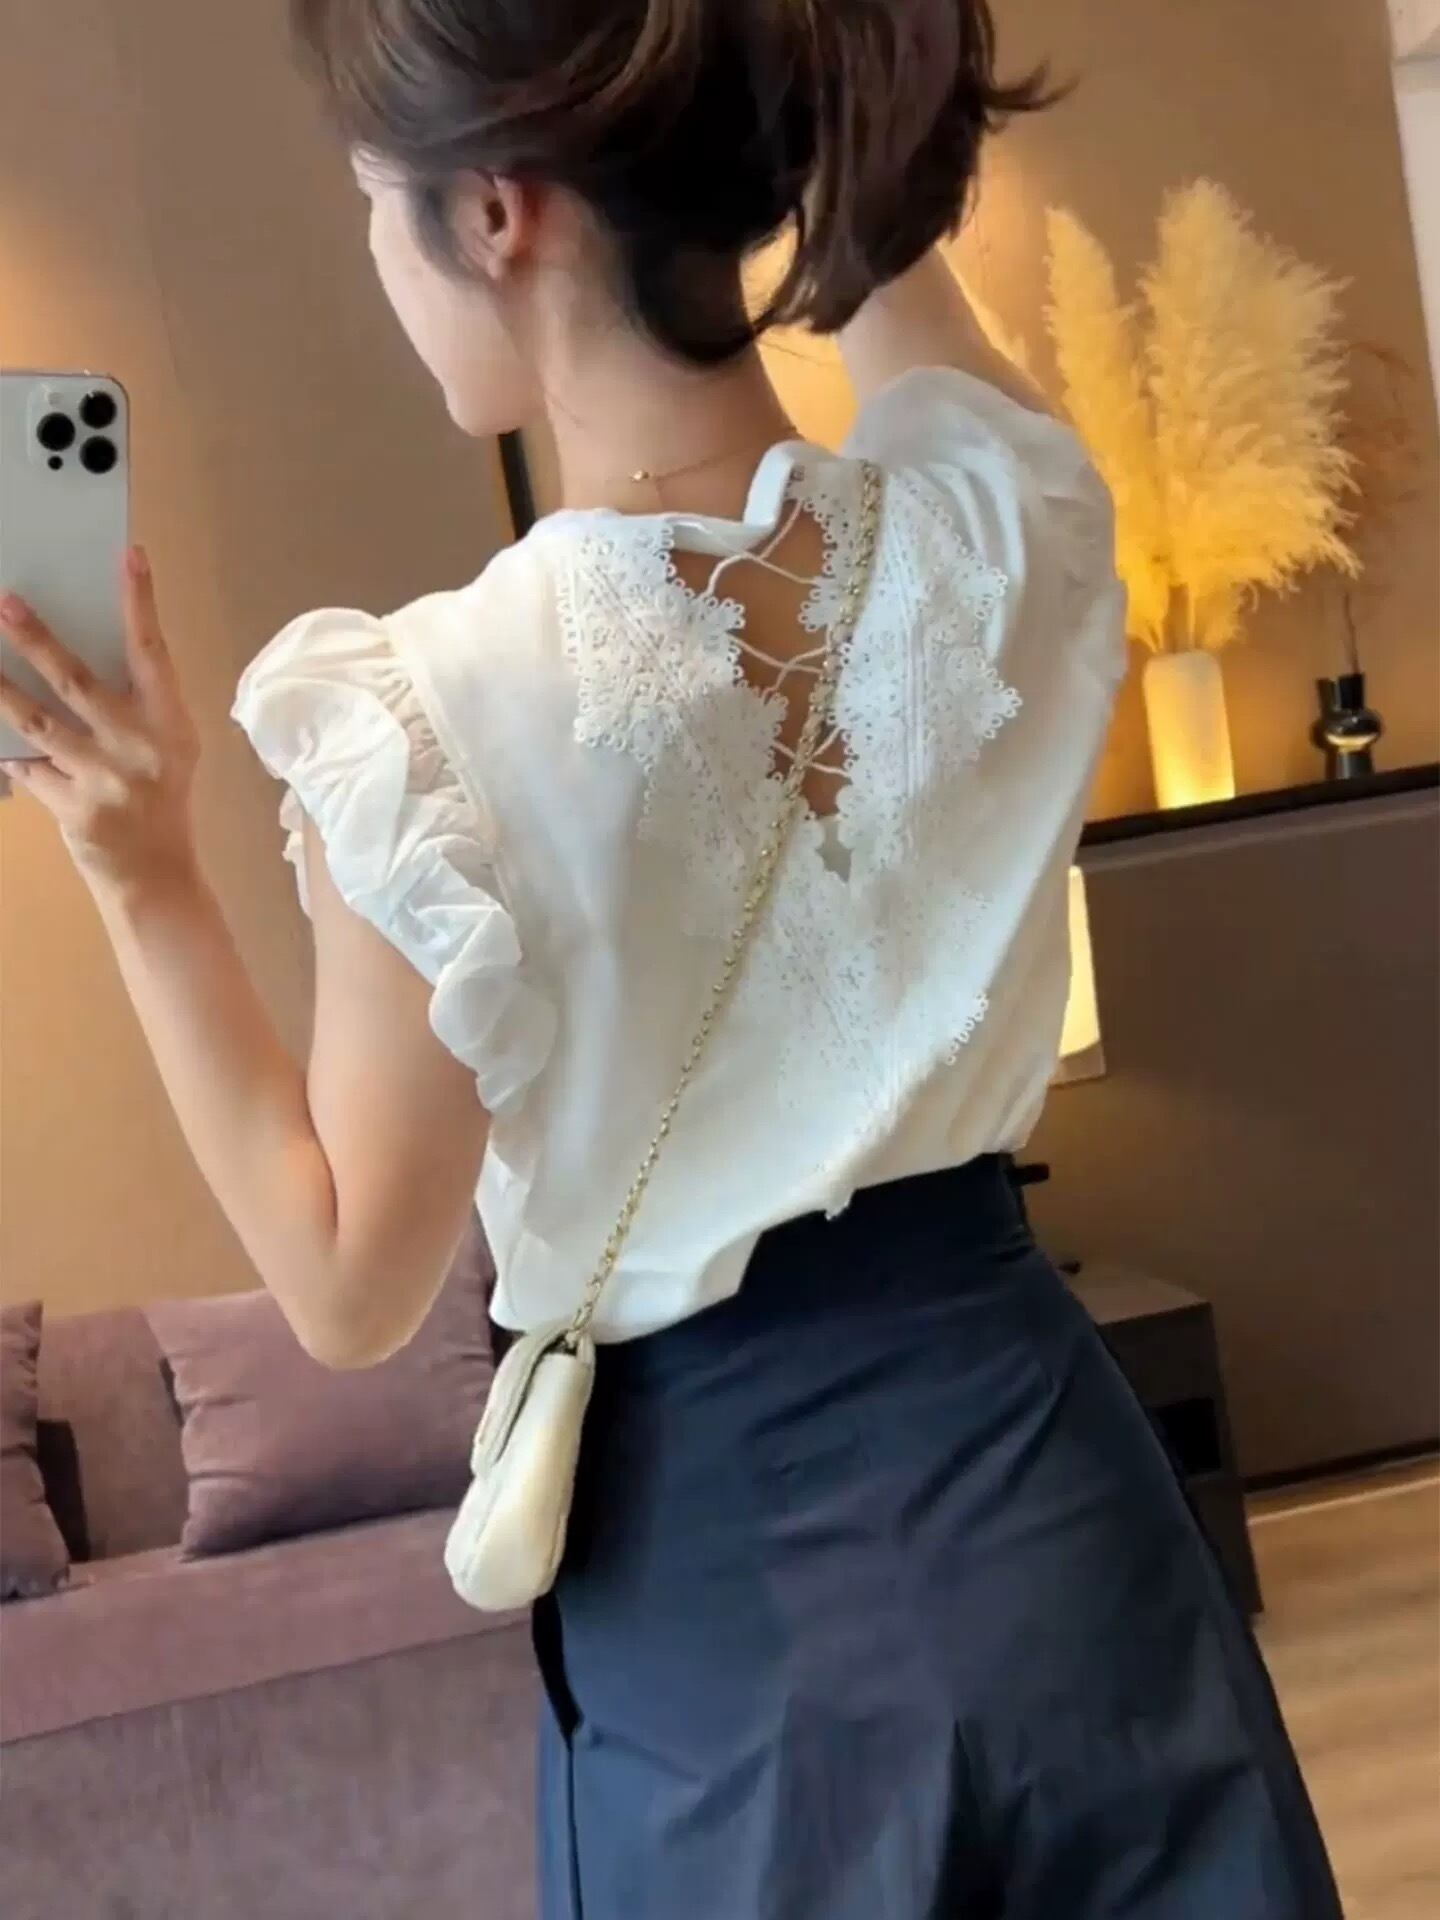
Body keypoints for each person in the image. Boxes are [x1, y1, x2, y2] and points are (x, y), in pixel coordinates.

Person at [0, 2, 1344, 1915]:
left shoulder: (432, 719)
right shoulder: (1001, 520)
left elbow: (349, 1285)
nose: (375, 253)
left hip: (738, 1611)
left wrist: (140, 872)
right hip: (1055, 1503)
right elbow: (890, 262)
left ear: (496, 212)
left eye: (375, 198)